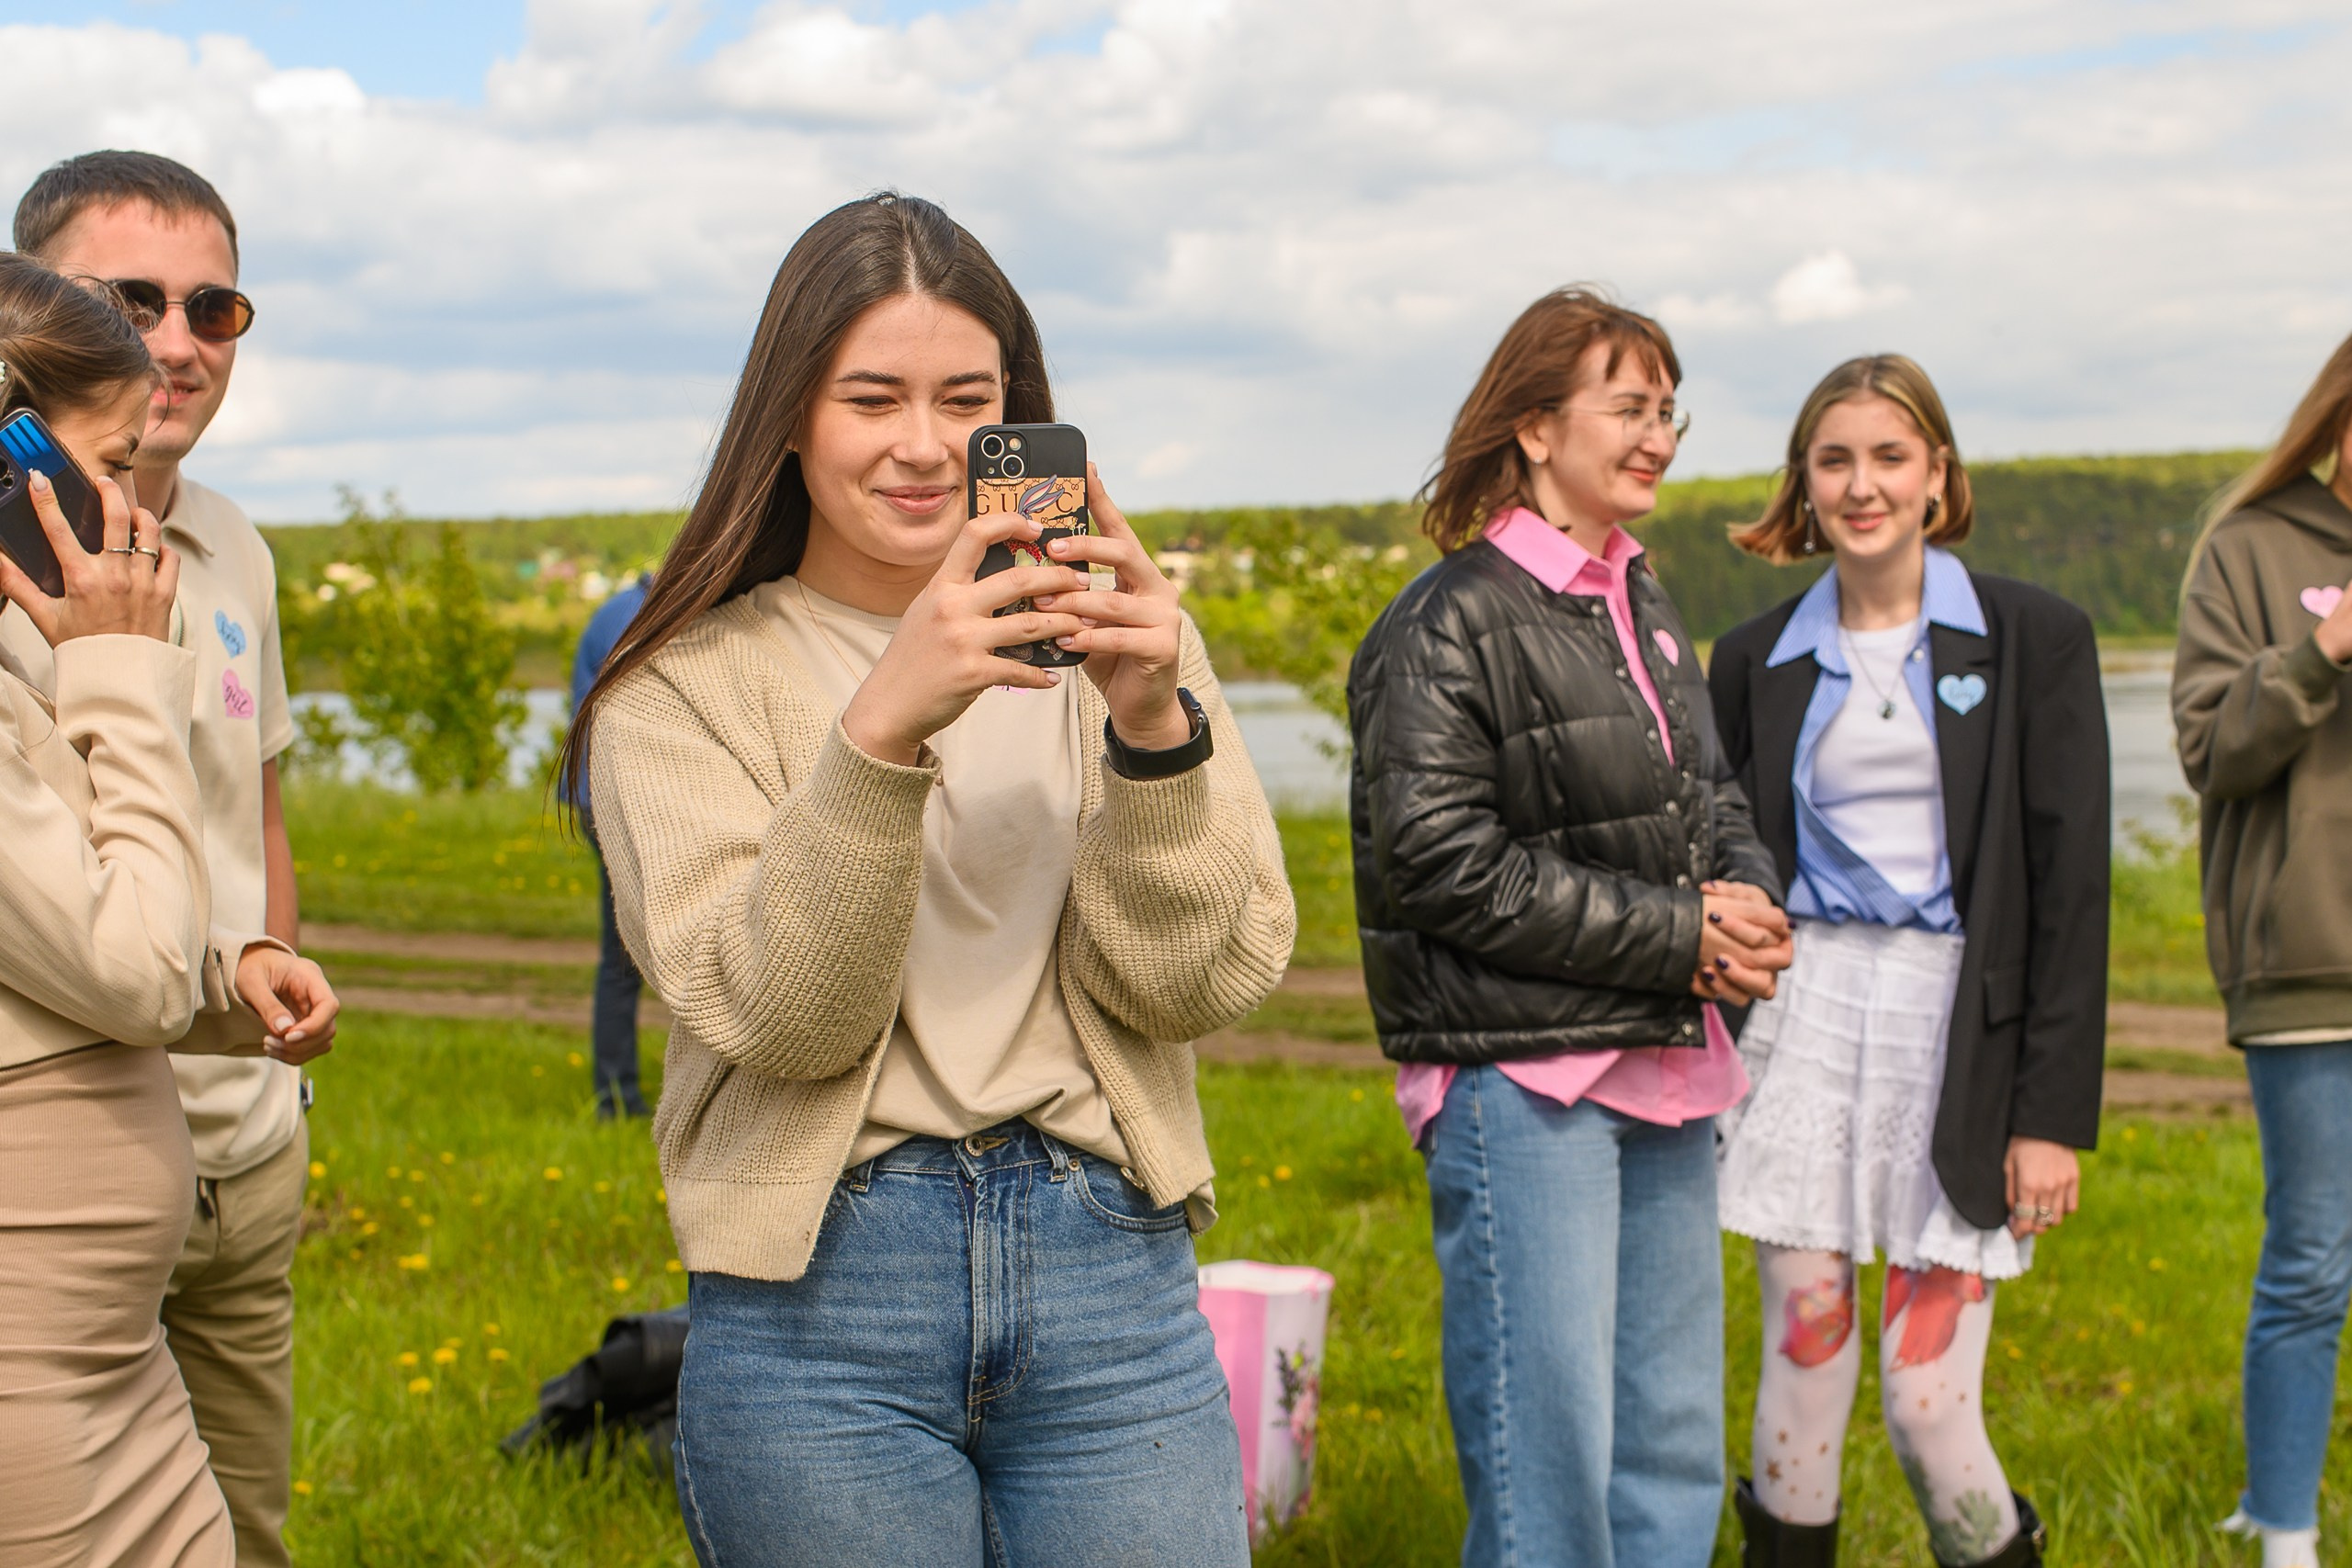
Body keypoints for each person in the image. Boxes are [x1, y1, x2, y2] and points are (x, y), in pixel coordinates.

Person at [564, 193, 1295, 1566]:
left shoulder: (1126, 648)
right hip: (820, 1304)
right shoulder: (678, 690)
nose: (922, 444)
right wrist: (878, 730)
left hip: (1109, 1274)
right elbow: (786, 1016)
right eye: (871, 397)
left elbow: (1205, 979)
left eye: (969, 398)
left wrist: (1150, 724)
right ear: (789, 416)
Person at [1348, 287, 1793, 1568]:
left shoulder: (1640, 599)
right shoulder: (1444, 620)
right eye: (1629, 407)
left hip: (1663, 1065)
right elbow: (1436, 863)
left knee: (1670, 1454)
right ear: (1537, 426)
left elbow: (1707, 793)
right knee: (1551, 1474)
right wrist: (1678, 934)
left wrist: (1746, 904)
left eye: (1670, 411)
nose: (1659, 435)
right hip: (1523, 1085)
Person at [1709, 355, 2108, 1567]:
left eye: (1890, 455)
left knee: (1927, 1402)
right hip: (1806, 1021)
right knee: (1804, 1362)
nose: (1863, 483)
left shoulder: (2036, 638)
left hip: (1962, 1032)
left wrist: (2050, 1115)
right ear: (1805, 480)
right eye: (1836, 458)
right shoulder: (1753, 657)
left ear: (1938, 472)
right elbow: (1724, 862)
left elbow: (2071, 889)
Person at [4, 152, 327, 1568]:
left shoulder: (236, 546)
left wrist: (265, 996)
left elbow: (251, 812)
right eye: (132, 299)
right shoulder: (36, 565)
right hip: (54, 1178)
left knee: (242, 1522)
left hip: (236, 1143)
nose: (179, 339)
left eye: (216, 306)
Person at [2174, 329, 2352, 1568]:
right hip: (2310, 956)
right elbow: (2210, 749)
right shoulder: (2250, 544)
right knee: (2316, 1248)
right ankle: (2283, 1523)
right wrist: (2321, 652)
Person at [567, 571, 651, 1118]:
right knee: (626, 960)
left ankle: (617, 1094)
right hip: (620, 803)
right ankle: (616, 1097)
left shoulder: (619, 608)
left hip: (601, 796)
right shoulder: (638, 618)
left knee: (622, 958)